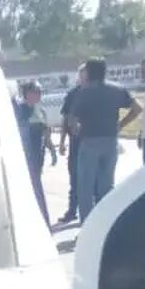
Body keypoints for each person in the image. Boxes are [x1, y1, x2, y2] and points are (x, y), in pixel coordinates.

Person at [70, 57, 139, 218]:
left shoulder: (83, 92)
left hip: (90, 140)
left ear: (88, 72)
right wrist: (121, 125)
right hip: (110, 140)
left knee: (85, 186)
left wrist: (76, 130)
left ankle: (87, 223)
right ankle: (106, 221)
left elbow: (72, 118)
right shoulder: (117, 89)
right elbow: (137, 108)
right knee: (106, 185)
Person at [13, 80, 54, 223]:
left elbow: (46, 131)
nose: (39, 95)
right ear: (27, 93)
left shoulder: (40, 110)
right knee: (34, 187)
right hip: (27, 155)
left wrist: (52, 149)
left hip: (38, 154)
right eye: (36, 91)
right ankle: (42, 219)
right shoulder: (20, 110)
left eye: (40, 92)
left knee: (36, 184)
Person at [56, 64, 85, 226]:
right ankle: (72, 210)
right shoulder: (72, 95)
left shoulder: (95, 94)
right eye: (81, 75)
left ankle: (87, 212)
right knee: (74, 178)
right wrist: (61, 141)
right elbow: (65, 119)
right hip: (75, 143)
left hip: (90, 142)